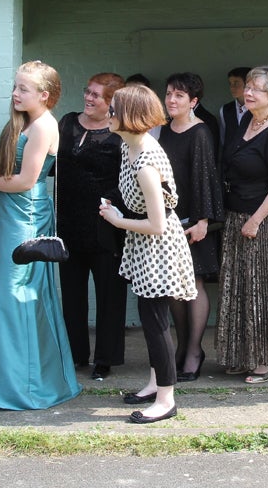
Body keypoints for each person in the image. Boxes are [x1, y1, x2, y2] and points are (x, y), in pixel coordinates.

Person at [0, 60, 80, 410]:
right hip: (12, 213)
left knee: (18, 296)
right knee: (8, 294)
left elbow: (26, 180)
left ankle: (29, 386)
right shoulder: (26, 122)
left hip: (25, 217)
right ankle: (12, 378)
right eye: (15, 86)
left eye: (23, 89)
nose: (14, 93)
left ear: (44, 94)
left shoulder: (43, 126)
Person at [100, 85, 197, 424]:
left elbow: (157, 224)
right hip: (145, 247)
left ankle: (166, 399)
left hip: (159, 248)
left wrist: (117, 219)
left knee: (156, 324)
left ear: (128, 116)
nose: (108, 115)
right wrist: (117, 202)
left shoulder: (144, 161)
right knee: (149, 318)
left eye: (113, 110)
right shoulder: (130, 148)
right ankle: (156, 384)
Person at [216, 65, 268, 383]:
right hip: (238, 216)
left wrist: (254, 220)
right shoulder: (246, 121)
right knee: (242, 290)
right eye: (248, 87)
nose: (248, 93)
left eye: (257, 89)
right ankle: (244, 355)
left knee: (264, 291)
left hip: (265, 222)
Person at [54, 72, 127, 382]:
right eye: (88, 91)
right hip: (68, 222)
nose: (89, 97)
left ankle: (105, 359)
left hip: (105, 223)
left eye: (97, 95)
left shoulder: (119, 134)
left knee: (109, 293)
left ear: (112, 104)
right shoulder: (68, 122)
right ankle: (75, 353)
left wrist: (110, 206)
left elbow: (128, 180)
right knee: (71, 292)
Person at [158, 72, 224, 382]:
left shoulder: (200, 133)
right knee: (173, 287)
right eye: (169, 93)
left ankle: (195, 350)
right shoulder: (164, 131)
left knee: (193, 284)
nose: (171, 100)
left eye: (179, 96)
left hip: (194, 223)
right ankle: (182, 346)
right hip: (169, 221)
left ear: (193, 102)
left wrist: (202, 222)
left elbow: (205, 179)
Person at [218, 66, 251, 158]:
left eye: (236, 83)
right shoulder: (225, 110)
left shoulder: (258, 109)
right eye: (230, 83)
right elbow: (224, 139)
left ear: (248, 84)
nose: (232, 87)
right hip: (231, 163)